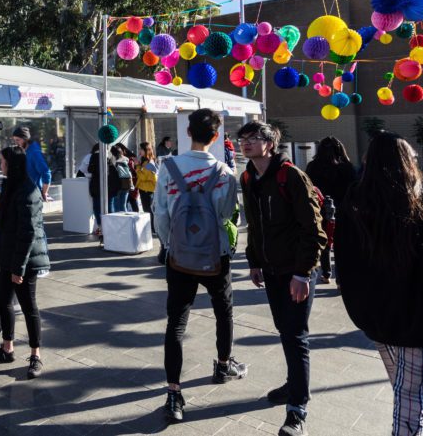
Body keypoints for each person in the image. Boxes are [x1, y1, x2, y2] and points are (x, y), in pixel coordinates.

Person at [336, 132, 423, 436]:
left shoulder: (353, 198)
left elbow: (340, 251)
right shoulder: (419, 200)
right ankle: (418, 426)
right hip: (415, 311)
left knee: (404, 384)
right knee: (414, 392)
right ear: (406, 163)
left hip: (370, 311)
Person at [154, 109, 245, 424]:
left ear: (188, 133)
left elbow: (161, 213)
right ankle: (222, 364)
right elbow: (227, 215)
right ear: (216, 137)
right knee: (224, 311)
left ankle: (174, 393)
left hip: (178, 258)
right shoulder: (223, 172)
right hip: (214, 255)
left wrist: (170, 244)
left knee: (176, 323)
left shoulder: (169, 167)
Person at [238, 120, 326, 436]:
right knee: (285, 330)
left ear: (270, 143)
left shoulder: (292, 177)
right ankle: (293, 385)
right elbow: (254, 225)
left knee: (296, 334)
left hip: (297, 271)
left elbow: (314, 232)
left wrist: (303, 274)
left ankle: (297, 410)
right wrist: (254, 262)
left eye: (253, 138)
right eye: (242, 138)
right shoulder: (248, 177)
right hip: (271, 270)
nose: (245, 143)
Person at [0, 145, 49, 379]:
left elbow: (28, 233)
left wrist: (18, 268)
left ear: (13, 164)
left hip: (25, 259)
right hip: (8, 255)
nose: (0, 166)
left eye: (3, 162)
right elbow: (7, 225)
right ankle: (7, 347)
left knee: (28, 306)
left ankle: (35, 355)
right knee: (3, 301)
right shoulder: (11, 186)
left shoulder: (28, 190)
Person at [305, 137, 357, 283]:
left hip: (320, 209)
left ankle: (326, 273)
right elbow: (354, 189)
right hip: (343, 210)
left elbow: (309, 189)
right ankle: (340, 278)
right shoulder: (346, 167)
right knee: (342, 245)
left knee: (324, 241)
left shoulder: (312, 166)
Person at [11, 127, 51, 201]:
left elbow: (46, 173)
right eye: (14, 140)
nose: (16, 143)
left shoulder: (34, 153)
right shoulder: (25, 151)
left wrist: (44, 192)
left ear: (25, 139)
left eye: (18, 140)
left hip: (33, 196)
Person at [136, 144, 158, 214]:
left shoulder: (149, 163)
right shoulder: (145, 161)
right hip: (146, 189)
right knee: (147, 210)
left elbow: (143, 177)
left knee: (148, 211)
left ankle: (151, 225)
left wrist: (137, 166)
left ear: (147, 151)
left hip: (147, 190)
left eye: (141, 149)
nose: (139, 151)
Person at [110, 145, 133, 213]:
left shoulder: (112, 160)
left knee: (116, 204)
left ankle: (118, 221)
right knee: (123, 204)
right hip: (127, 183)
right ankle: (125, 220)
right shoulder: (126, 159)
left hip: (117, 183)